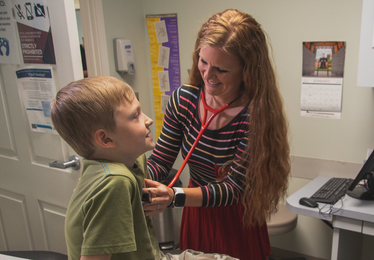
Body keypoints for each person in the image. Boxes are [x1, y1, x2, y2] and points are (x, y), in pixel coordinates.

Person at [144, 9, 291, 260]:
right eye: (203, 62)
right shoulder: (184, 101)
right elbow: (159, 161)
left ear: (247, 71)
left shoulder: (254, 116)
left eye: (221, 69)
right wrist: (124, 182)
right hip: (195, 213)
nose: (208, 76)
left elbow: (232, 188)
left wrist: (172, 196)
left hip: (235, 218)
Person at [51, 76, 161, 260]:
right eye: (136, 116)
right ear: (106, 139)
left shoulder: (133, 160)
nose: (148, 120)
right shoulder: (114, 182)